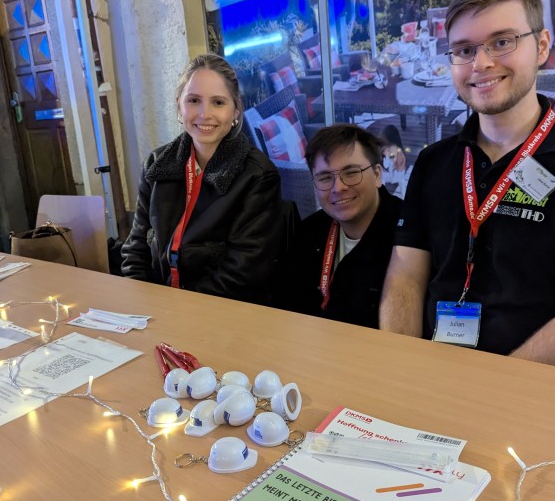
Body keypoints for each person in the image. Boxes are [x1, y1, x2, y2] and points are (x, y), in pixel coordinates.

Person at [379, 0, 555, 370]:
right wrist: (404, 369)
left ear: (541, 47)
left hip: (540, 391)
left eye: (501, 42)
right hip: (436, 378)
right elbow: (405, 279)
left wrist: (494, 389)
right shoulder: (434, 162)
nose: (481, 63)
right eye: (464, 50)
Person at [121, 54, 283, 304]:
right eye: (194, 100)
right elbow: (136, 249)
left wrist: (178, 308)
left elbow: (242, 276)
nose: (204, 114)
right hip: (157, 310)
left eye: (218, 102)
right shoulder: (156, 164)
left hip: (222, 314)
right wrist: (143, 302)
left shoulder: (258, 176)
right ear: (179, 106)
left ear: (236, 109)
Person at [278, 124, 401, 328]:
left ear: (378, 175)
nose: (339, 187)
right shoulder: (309, 232)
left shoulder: (409, 234)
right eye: (325, 177)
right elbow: (287, 304)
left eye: (351, 173)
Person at [380, 124, 413, 200]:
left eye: (391, 156)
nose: (386, 160)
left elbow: (401, 180)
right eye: (384, 156)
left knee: (401, 179)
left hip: (397, 169)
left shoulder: (399, 155)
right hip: (383, 174)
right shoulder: (381, 161)